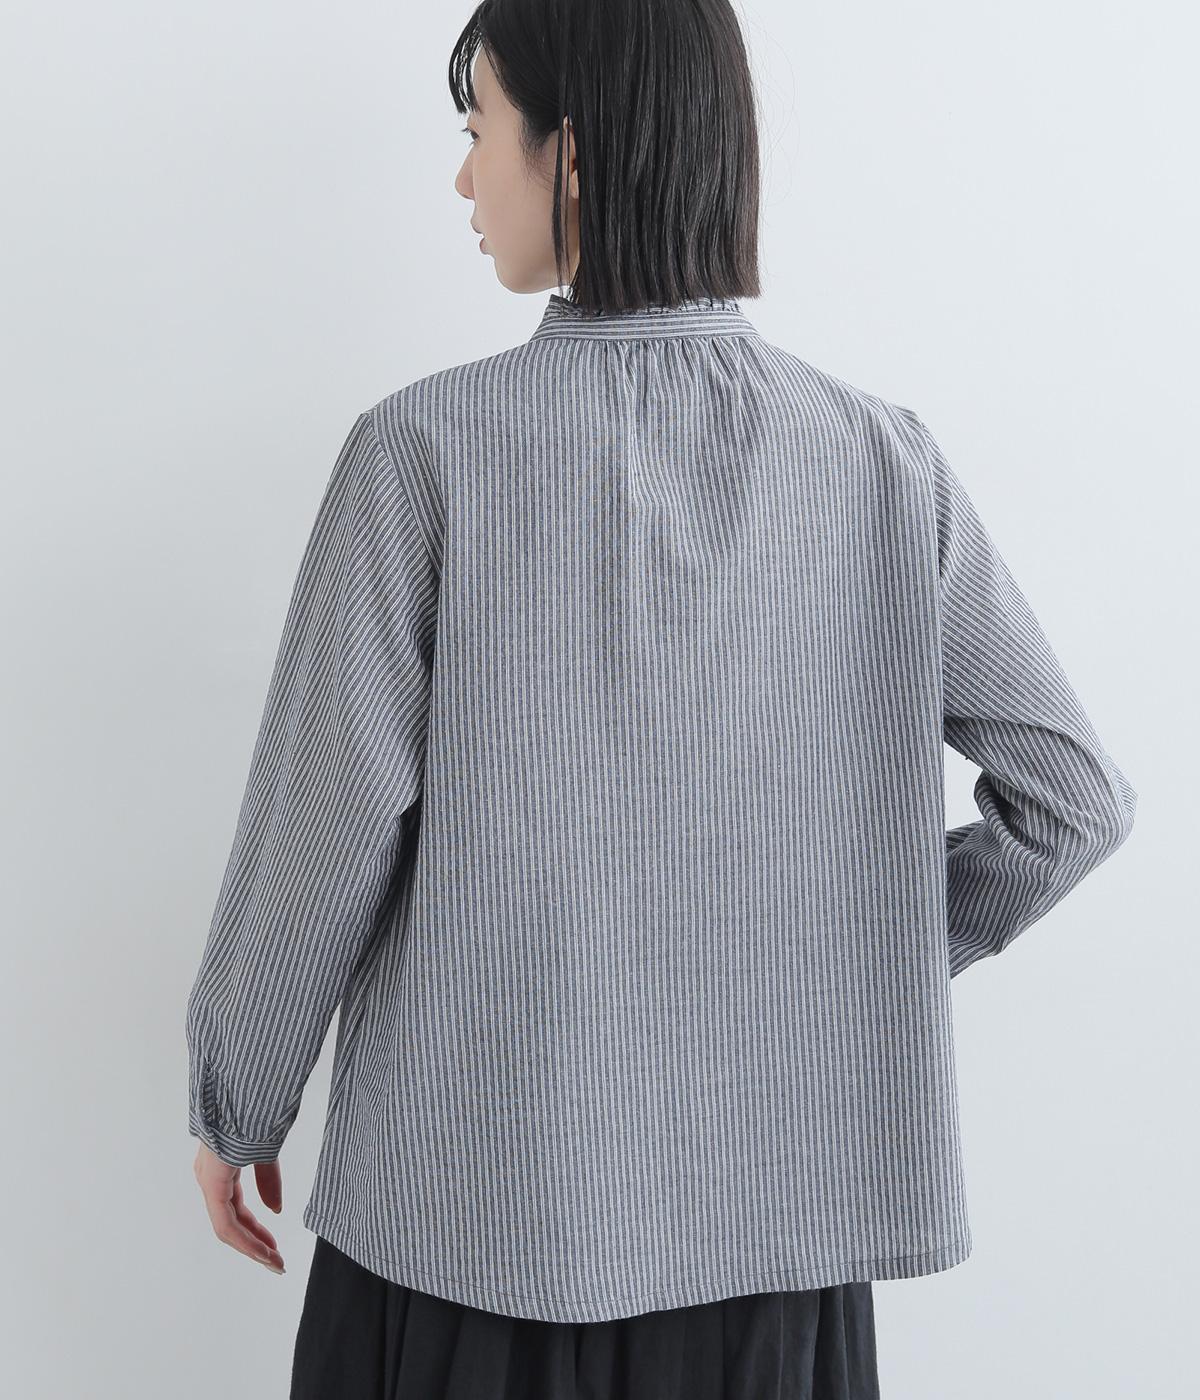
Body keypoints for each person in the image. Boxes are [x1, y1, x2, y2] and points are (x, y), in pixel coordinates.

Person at [184, 1, 1138, 1397]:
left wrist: (238, 1101)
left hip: (468, 1239)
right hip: (779, 1262)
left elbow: (320, 832)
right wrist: (829, 955)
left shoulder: (425, 454)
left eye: (479, 129)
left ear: (570, 154)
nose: (462, 176)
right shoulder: (882, 463)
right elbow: (1074, 803)